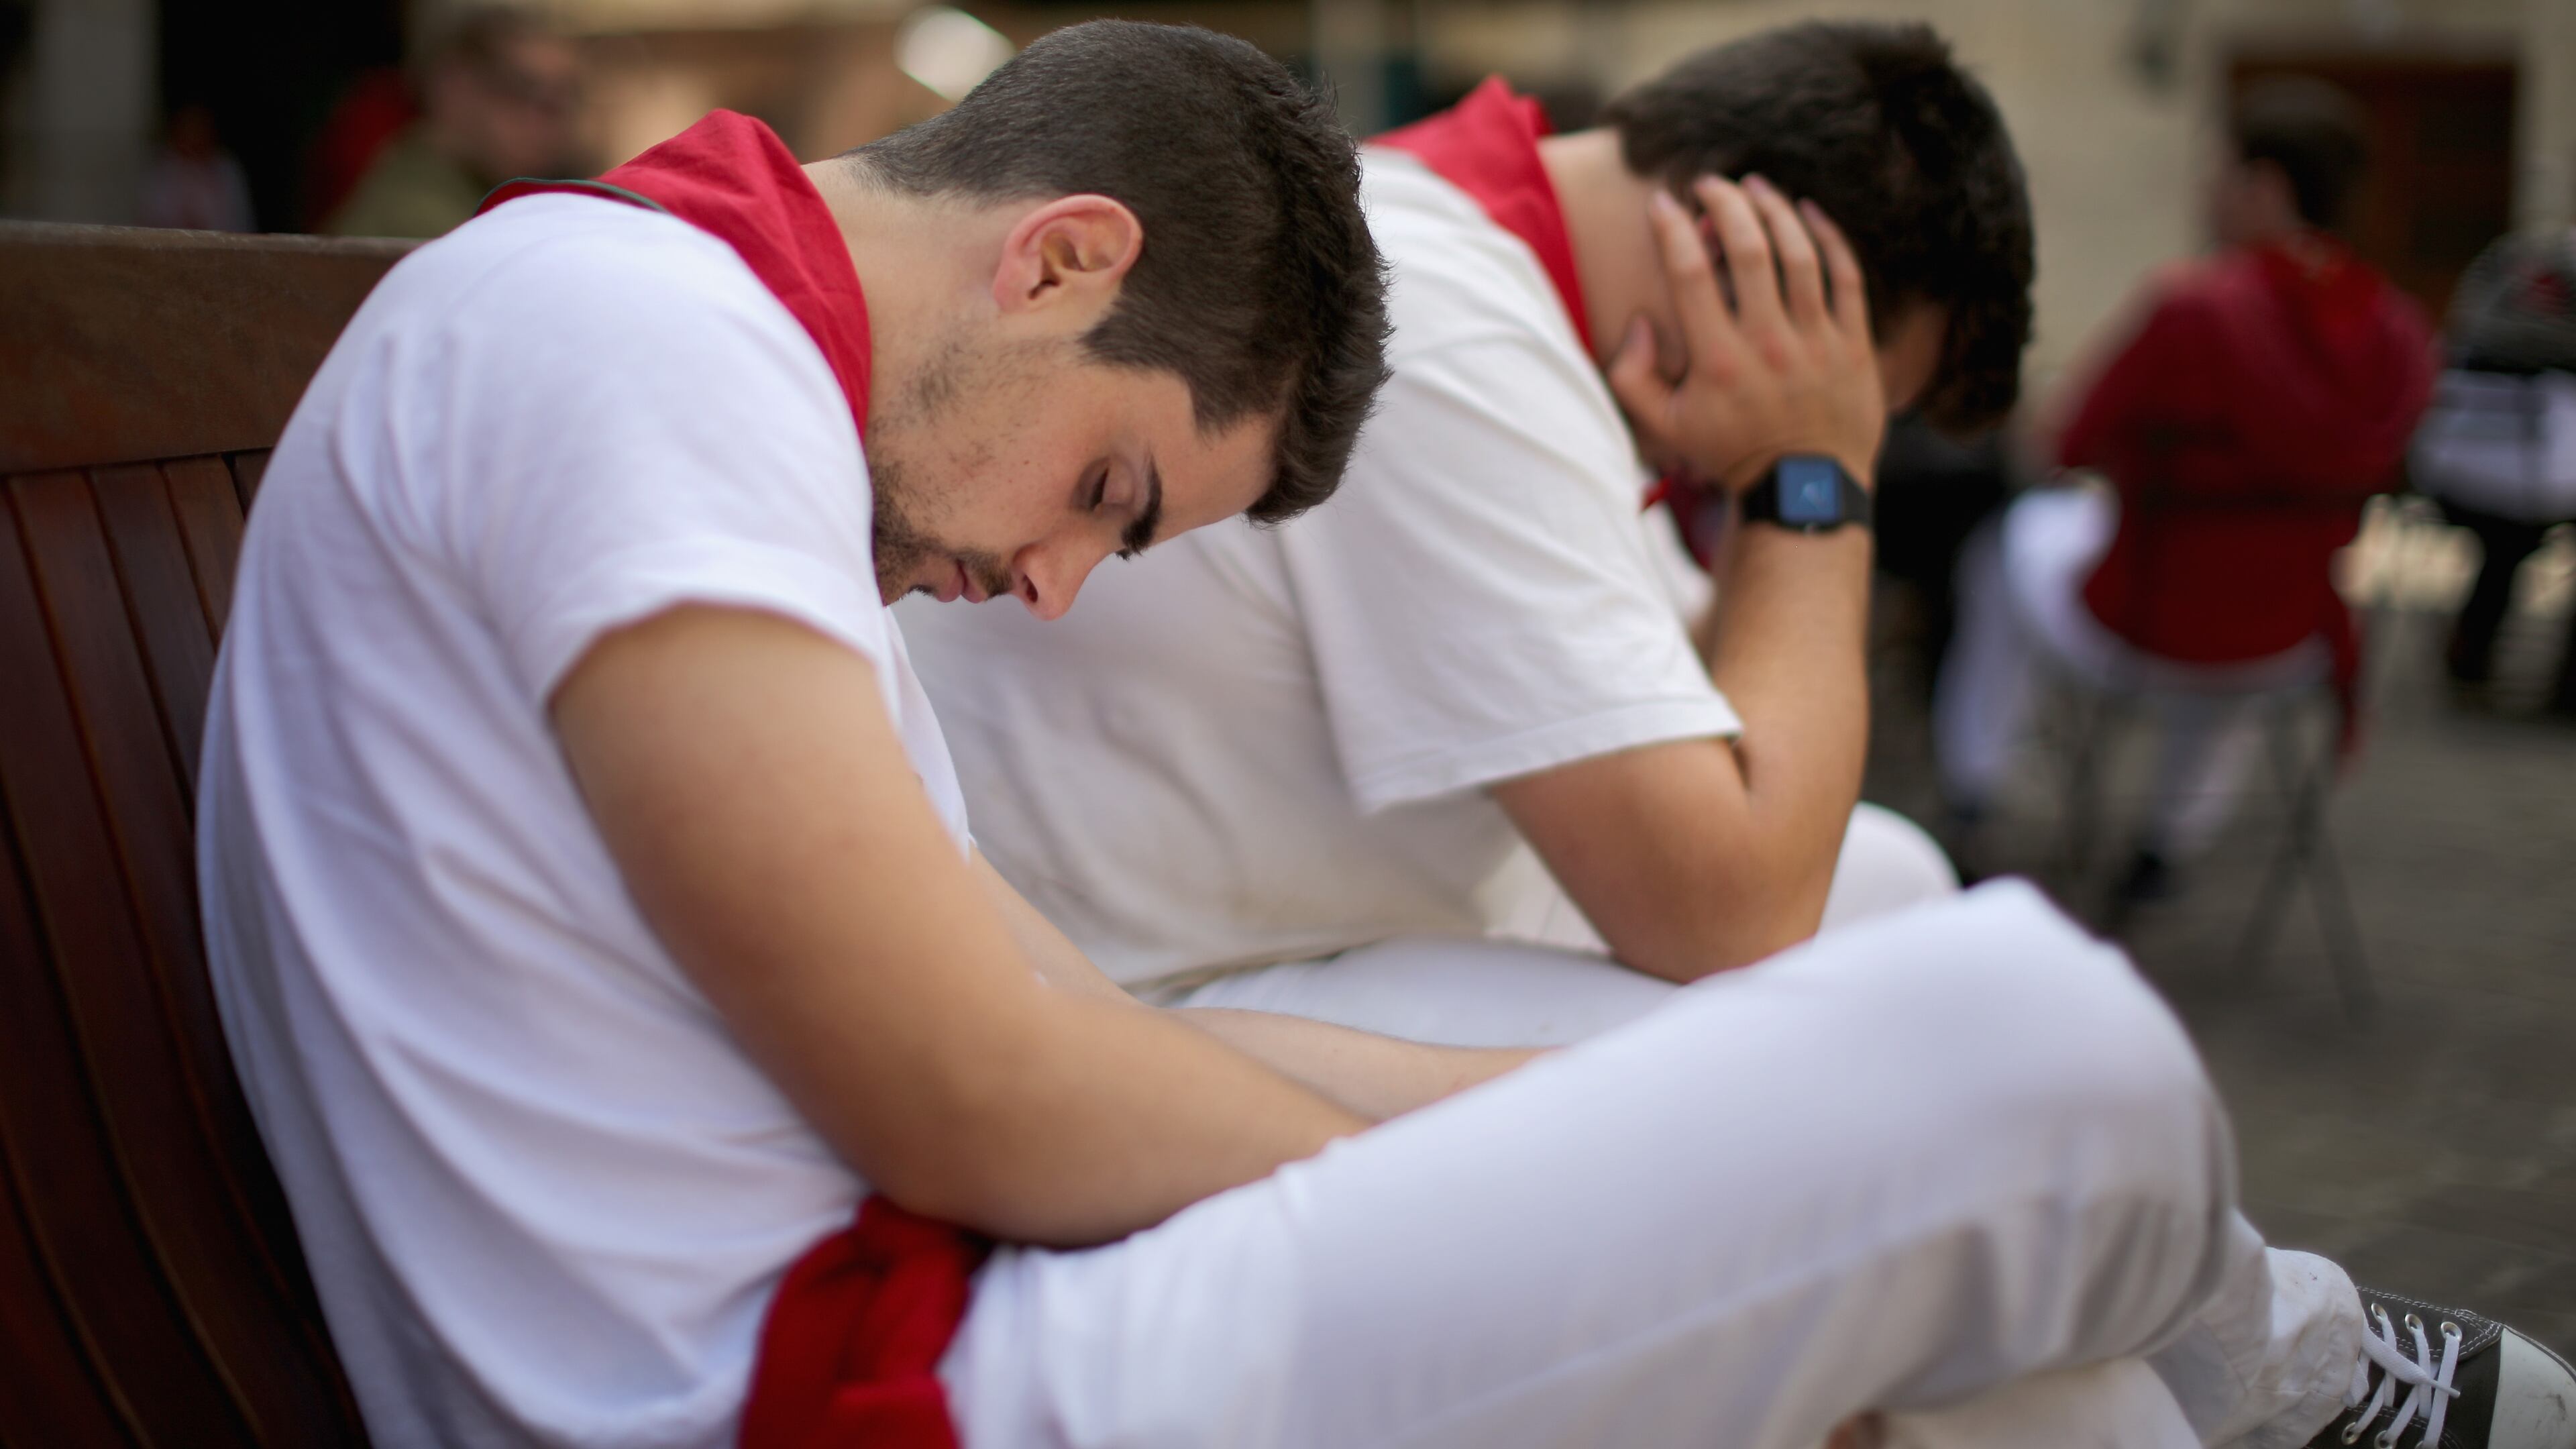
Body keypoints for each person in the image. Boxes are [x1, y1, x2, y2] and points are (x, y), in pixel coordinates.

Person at [199, 19, 2572, 1449]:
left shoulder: (701, 370)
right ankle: (2304, 1376)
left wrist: (1653, 1155)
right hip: (868, 1390)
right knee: (2036, 1052)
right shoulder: (630, 327)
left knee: (1954, 1205)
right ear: (1060, 260)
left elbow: (997, 1036)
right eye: (1116, 495)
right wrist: (1689, 1182)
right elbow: (981, 1088)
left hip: (924, 1319)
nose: (1044, 587)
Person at [902, 21, 2027, 1016]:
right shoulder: (1448, 323)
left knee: (1894, 883)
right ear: (1760, 257)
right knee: (1790, 1027)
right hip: (1135, 994)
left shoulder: (1454, 247)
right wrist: (1809, 474)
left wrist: (1783, 462)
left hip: (1235, 936)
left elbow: (1710, 721)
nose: (1838, 426)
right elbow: (1733, 921)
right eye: (1851, 393)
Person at [1933, 76, 2436, 901]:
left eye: (2218, 173)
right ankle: (2166, 843)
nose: (2206, 193)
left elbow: (2060, 446)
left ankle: (1975, 792)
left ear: (2264, 185)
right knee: (2250, 580)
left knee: (2006, 543)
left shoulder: (2193, 310)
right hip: (2290, 640)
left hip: (2142, 624)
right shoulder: (2401, 330)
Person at [2412, 219, 2576, 717]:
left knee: (2507, 543)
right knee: (2517, 529)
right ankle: (2565, 688)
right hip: (2531, 474)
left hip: (2456, 467)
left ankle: (2471, 660)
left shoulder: (2509, 258)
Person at [323, 5, 583, 239]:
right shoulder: (416, 212)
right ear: (455, 85)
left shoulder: (492, 192)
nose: (542, 125)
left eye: (559, 102)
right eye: (519, 89)